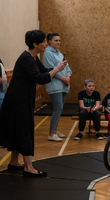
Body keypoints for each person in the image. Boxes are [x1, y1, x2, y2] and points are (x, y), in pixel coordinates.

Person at [0, 30, 67, 177]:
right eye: (43, 42)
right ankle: (28, 167)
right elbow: (40, 78)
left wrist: (58, 68)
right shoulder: (26, 59)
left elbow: (44, 71)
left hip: (22, 99)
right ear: (35, 44)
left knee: (19, 130)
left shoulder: (33, 58)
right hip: (17, 101)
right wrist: (56, 70)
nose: (45, 44)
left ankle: (14, 162)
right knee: (25, 130)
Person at [43, 32, 72, 142]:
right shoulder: (47, 53)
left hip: (64, 85)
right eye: (56, 40)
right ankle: (51, 133)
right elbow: (50, 70)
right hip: (55, 86)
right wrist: (64, 78)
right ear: (50, 41)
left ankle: (54, 131)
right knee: (58, 108)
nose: (58, 42)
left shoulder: (60, 54)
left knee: (60, 109)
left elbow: (68, 68)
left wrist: (68, 76)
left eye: (59, 40)